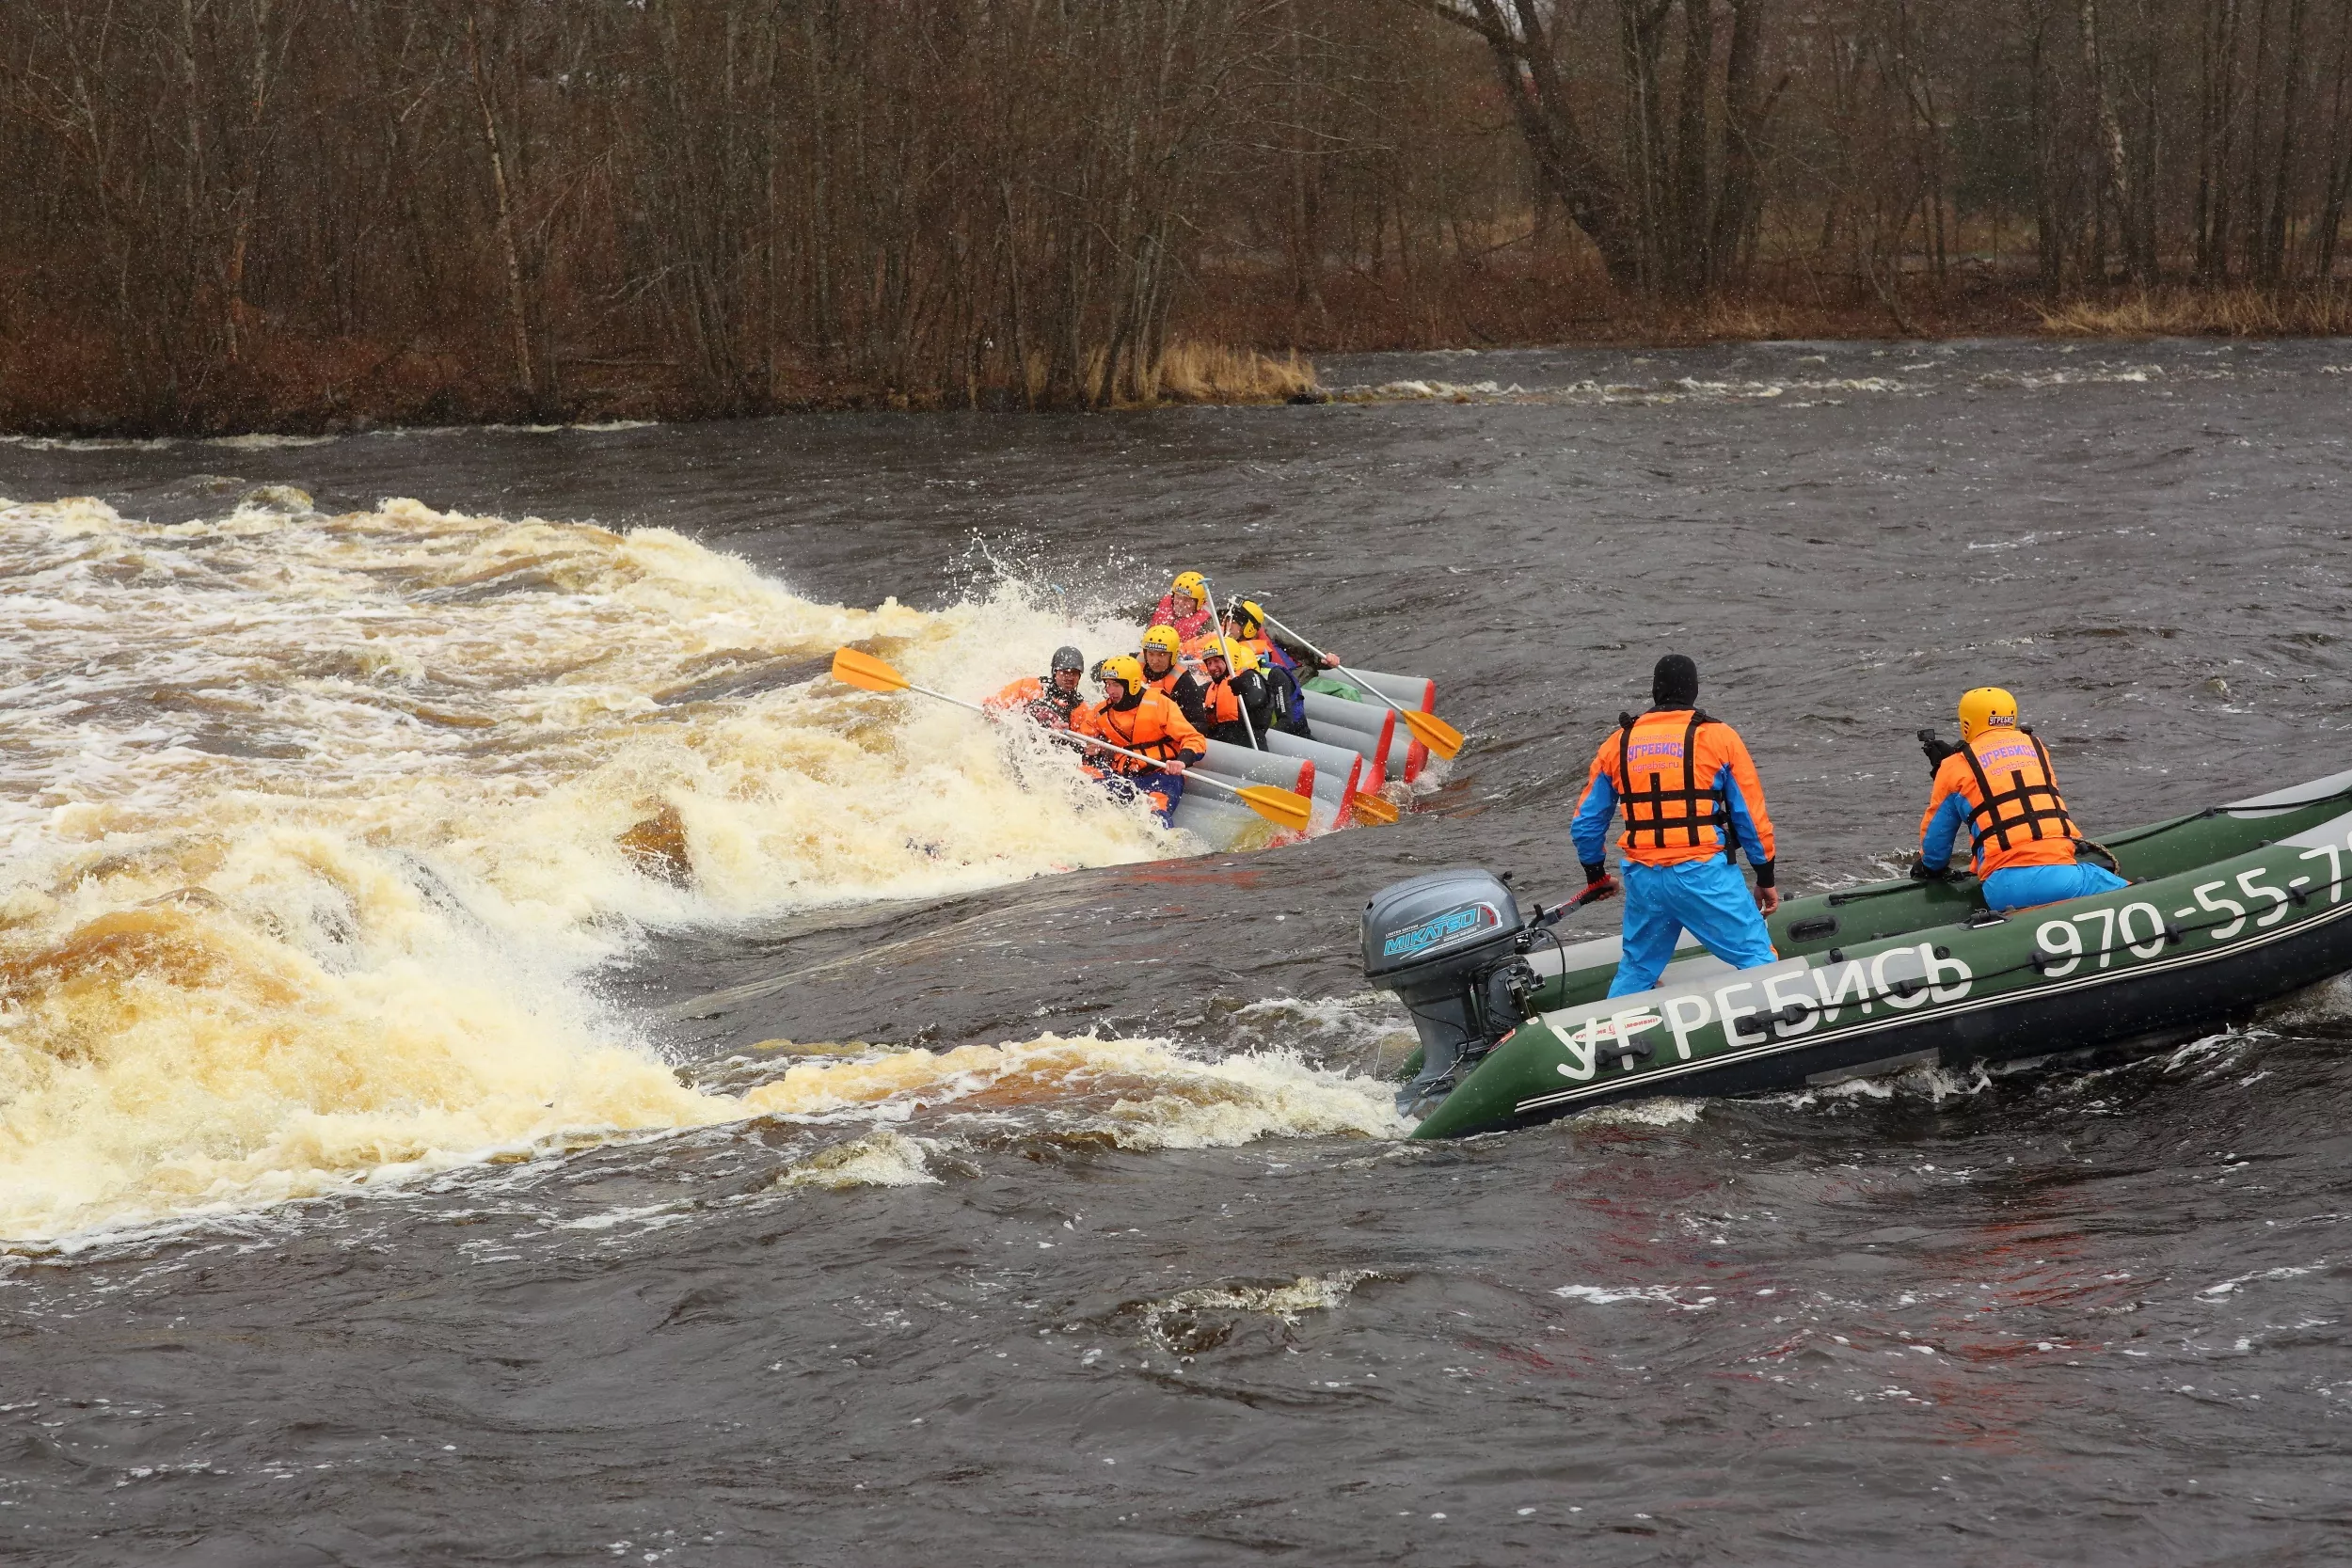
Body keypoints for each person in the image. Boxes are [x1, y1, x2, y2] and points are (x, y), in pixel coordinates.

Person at [1571, 654, 1781, 998]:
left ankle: (1612, 1036)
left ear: (1655, 691)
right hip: (1703, 875)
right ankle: (1780, 1032)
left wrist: (1595, 874)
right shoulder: (1718, 737)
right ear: (1694, 691)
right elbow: (1751, 819)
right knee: (1757, 956)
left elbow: (1585, 823)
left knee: (1639, 967)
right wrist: (1765, 877)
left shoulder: (1617, 743)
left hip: (1644, 879)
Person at [1915, 687, 2126, 911]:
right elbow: (2008, 775)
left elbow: (1936, 845)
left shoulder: (1953, 767)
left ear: (1967, 722)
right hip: (2061, 877)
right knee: (2127, 890)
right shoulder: (2036, 747)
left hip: (2001, 890)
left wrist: (1928, 867)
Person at [1073, 653, 1207, 827]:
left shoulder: (1160, 704)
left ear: (1133, 685)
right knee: (1081, 791)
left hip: (1160, 776)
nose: (1109, 691)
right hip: (1123, 776)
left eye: (1115, 685)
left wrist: (1181, 761)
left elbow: (1193, 738)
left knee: (1155, 820)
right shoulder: (1102, 712)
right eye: (1107, 684)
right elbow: (1084, 736)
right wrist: (1090, 748)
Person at [984, 645, 1087, 730]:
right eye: (1065, 672)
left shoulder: (1080, 707)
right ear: (1055, 672)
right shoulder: (1029, 686)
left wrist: (1066, 733)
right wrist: (991, 709)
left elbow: (1082, 744)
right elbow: (995, 705)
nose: (1069, 677)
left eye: (1074, 673)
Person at [1148, 572, 1216, 642]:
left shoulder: (1207, 624)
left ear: (1199, 603)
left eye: (1186, 599)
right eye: (1178, 597)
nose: (1180, 603)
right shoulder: (1157, 606)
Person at [1138, 625, 1188, 700]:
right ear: (1145, 653)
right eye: (1151, 654)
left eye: (1162, 654)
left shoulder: (1184, 682)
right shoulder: (1132, 663)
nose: (1154, 661)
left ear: (1173, 655)